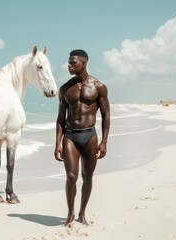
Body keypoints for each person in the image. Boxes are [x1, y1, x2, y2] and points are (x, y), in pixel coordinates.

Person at [54, 49, 110, 226]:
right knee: (71, 176)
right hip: (70, 136)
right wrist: (57, 144)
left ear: (83, 63)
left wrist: (104, 142)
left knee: (87, 176)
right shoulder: (65, 89)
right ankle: (70, 213)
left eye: (73, 63)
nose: (69, 66)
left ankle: (82, 213)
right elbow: (60, 118)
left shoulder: (98, 87)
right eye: (69, 62)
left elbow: (106, 115)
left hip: (90, 136)